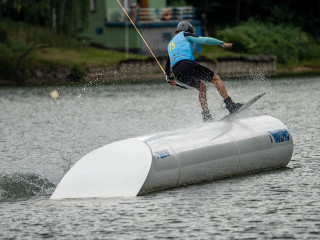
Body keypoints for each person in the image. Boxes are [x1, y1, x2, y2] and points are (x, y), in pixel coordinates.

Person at [165, 21, 242, 122]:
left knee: (202, 86)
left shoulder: (170, 44)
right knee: (215, 78)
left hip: (176, 71)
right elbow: (204, 40)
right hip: (186, 63)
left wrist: (170, 79)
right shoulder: (185, 34)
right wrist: (221, 43)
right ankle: (230, 105)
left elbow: (167, 68)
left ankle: (206, 115)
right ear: (189, 30)